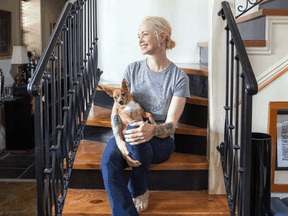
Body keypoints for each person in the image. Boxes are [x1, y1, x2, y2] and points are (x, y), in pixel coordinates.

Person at [100, 16, 190, 216]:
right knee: (108, 162)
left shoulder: (179, 77)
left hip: (161, 141)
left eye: (145, 34)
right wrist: (118, 141)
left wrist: (152, 129)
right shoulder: (132, 69)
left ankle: (140, 189)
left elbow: (171, 125)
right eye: (138, 36)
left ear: (162, 36)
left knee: (136, 130)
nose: (140, 39)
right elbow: (117, 110)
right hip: (130, 135)